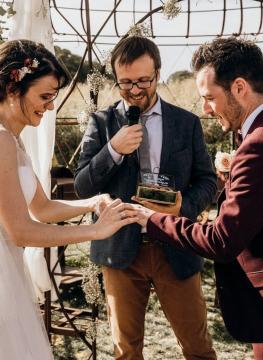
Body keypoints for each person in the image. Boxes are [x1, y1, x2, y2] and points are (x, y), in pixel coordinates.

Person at [74, 36, 217, 360]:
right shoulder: (101, 123)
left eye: (143, 80)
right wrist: (113, 150)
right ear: (116, 78)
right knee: (126, 352)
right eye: (126, 82)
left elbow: (207, 180)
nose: (135, 89)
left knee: (198, 350)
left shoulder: (187, 123)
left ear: (157, 73)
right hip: (120, 252)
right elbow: (82, 186)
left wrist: (185, 207)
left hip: (176, 246)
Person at [0, 39, 137, 360]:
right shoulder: (2, 142)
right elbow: (21, 231)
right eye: (45, 97)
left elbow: (42, 208)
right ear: (12, 88)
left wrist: (92, 203)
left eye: (53, 98)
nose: (49, 107)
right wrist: (94, 231)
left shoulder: (14, 142)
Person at [133, 36, 263, 360]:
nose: (205, 108)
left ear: (239, 88)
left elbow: (222, 241)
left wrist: (152, 220)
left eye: (209, 98)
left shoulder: (256, 144)